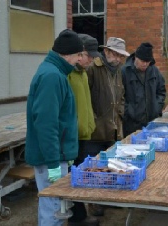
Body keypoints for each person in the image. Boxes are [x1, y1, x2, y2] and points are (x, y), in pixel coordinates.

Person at [25, 29, 83, 226]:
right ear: (67, 54)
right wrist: (53, 163)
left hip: (57, 154)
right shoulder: (52, 76)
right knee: (53, 210)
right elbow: (46, 123)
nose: (78, 60)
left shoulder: (55, 72)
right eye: (78, 55)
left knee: (55, 208)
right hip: (51, 158)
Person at [86, 37, 130, 216]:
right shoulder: (92, 69)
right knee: (94, 170)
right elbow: (84, 99)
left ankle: (106, 201)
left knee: (110, 167)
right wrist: (93, 119)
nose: (119, 59)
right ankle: (93, 205)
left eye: (121, 56)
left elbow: (121, 96)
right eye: (116, 54)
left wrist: (120, 112)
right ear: (106, 51)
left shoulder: (118, 71)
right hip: (95, 131)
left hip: (113, 129)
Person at [67, 34, 100, 226]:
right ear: (80, 53)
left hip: (84, 134)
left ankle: (80, 216)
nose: (91, 60)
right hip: (73, 135)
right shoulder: (68, 74)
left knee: (79, 177)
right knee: (71, 178)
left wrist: (90, 125)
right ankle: (75, 218)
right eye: (89, 56)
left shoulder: (83, 73)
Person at [121, 42, 166, 137]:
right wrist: (129, 111)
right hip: (130, 124)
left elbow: (161, 91)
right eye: (142, 61)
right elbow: (119, 96)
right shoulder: (124, 72)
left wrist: (156, 107)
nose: (145, 64)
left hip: (151, 121)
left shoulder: (154, 71)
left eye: (148, 61)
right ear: (136, 57)